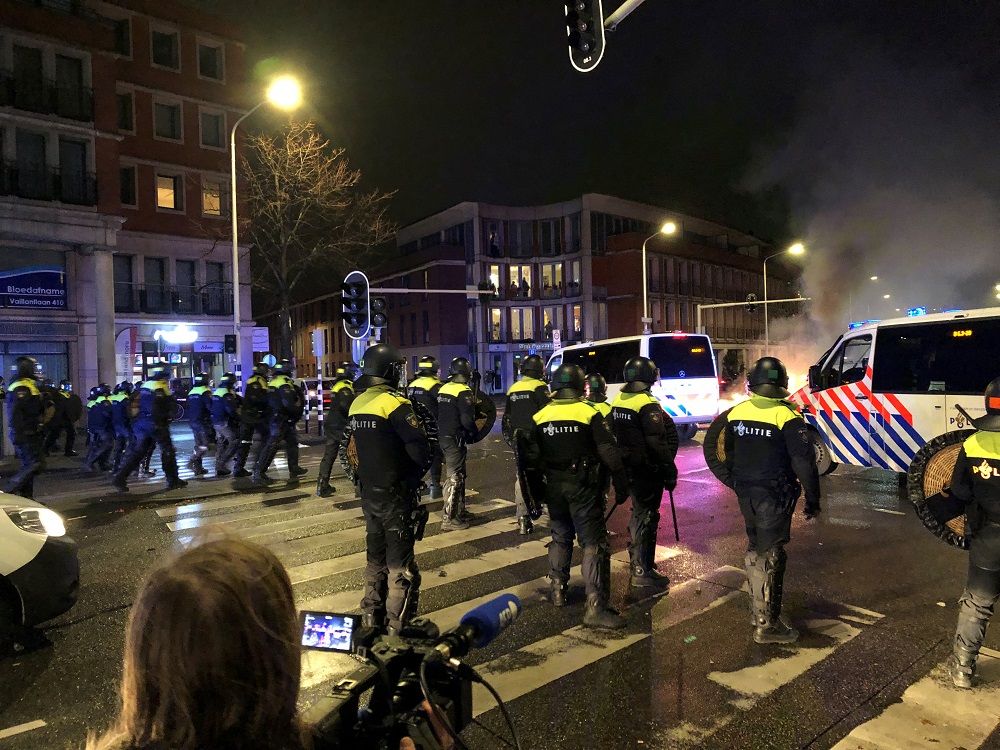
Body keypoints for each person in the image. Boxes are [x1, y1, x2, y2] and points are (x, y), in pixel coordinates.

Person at [722, 356, 820, 645]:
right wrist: (813, 500)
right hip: (773, 496)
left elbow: (726, 453)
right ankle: (768, 625)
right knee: (772, 554)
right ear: (782, 384)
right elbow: (804, 464)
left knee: (755, 548)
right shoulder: (787, 417)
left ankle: (757, 611)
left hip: (746, 493)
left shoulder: (736, 413)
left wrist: (738, 482)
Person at [525, 363, 630, 629]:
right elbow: (608, 449)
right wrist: (621, 481)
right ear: (580, 385)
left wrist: (536, 495)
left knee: (560, 537)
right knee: (594, 544)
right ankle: (595, 607)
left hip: (554, 489)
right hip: (583, 488)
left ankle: (558, 590)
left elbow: (531, 460)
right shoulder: (588, 412)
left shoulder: (541, 416)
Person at [349, 343, 431, 634]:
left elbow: (353, 452)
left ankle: (371, 617)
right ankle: (397, 629)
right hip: (396, 496)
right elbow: (419, 451)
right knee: (402, 568)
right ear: (389, 371)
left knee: (375, 559)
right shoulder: (396, 405)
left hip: (369, 495)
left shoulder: (357, 404)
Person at [946, 376, 1000, 688]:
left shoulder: (973, 443)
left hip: (989, 538)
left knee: (978, 603)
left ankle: (963, 668)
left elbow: (959, 490)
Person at [610, 356, 679, 588]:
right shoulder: (646, 403)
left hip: (627, 466)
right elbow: (657, 442)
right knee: (647, 517)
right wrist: (670, 470)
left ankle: (640, 560)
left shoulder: (620, 399)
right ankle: (642, 569)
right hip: (646, 470)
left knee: (639, 513)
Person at [111, 367, 187, 493]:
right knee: (168, 450)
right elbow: (160, 408)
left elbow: (132, 404)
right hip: (155, 424)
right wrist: (164, 420)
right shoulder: (160, 387)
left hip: (141, 424)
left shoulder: (145, 386)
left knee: (139, 452)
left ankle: (120, 478)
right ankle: (172, 480)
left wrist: (135, 421)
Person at [503, 354, 551, 535]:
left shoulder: (513, 388)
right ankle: (546, 510)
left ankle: (523, 520)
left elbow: (507, 418)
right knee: (544, 475)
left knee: (521, 477)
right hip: (537, 440)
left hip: (519, 440)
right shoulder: (540, 388)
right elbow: (548, 413)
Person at [437, 357, 477, 531]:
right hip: (456, 438)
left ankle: (460, 510)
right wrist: (474, 431)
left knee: (459, 475)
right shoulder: (463, 391)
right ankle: (449, 518)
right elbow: (467, 419)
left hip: (443, 436)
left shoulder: (443, 388)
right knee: (454, 477)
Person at [254, 359, 307, 485]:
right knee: (272, 445)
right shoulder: (283, 383)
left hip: (279, 418)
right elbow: (289, 403)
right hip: (280, 419)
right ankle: (259, 472)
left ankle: (293, 467)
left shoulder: (274, 381)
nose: (293, 372)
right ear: (287, 370)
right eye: (291, 369)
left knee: (292, 442)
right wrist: (297, 410)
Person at [4, 357, 49, 499]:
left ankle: (26, 498)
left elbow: (32, 409)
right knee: (37, 463)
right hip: (25, 433)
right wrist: (19, 433)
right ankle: (9, 489)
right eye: (34, 368)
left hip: (30, 432)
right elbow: (16, 413)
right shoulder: (21, 387)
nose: (37, 371)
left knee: (28, 466)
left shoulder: (28, 385)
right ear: (26, 369)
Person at [316, 361, 356, 497]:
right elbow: (347, 406)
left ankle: (322, 484)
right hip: (340, 427)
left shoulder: (338, 385)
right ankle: (360, 485)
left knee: (329, 455)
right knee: (353, 454)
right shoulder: (345, 387)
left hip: (333, 425)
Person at [406, 356, 443, 499]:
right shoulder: (436, 387)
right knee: (435, 456)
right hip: (432, 427)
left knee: (414, 456)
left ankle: (415, 485)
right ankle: (435, 486)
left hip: (413, 426)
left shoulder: (412, 385)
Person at [233, 362, 271, 478]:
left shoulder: (253, 379)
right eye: (266, 370)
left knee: (245, 442)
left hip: (248, 416)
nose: (268, 373)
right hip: (254, 417)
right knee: (267, 440)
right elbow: (258, 398)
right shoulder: (257, 381)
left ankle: (239, 468)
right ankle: (258, 466)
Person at [211, 372, 241, 477]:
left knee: (221, 443)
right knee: (235, 441)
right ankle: (221, 464)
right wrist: (239, 418)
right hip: (224, 422)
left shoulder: (218, 391)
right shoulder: (226, 394)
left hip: (216, 422)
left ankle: (219, 468)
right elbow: (231, 410)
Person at [185, 372, 213, 476]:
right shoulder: (205, 391)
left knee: (198, 445)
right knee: (205, 445)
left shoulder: (192, 391)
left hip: (192, 421)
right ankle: (192, 461)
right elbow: (209, 406)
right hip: (202, 421)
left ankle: (198, 468)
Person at [82, 383, 114, 472]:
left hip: (94, 427)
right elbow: (108, 414)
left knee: (96, 445)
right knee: (107, 444)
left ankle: (102, 463)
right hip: (102, 427)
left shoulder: (95, 402)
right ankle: (90, 462)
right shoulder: (104, 403)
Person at [43, 379, 78, 456]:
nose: (69, 388)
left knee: (68, 433)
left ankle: (68, 450)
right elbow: (61, 408)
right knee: (55, 434)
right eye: (67, 386)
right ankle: (46, 450)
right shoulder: (59, 395)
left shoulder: (65, 395)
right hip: (60, 418)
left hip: (64, 418)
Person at [109, 381, 134, 474]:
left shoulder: (114, 398)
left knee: (119, 446)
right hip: (125, 426)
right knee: (132, 445)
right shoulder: (125, 399)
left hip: (116, 426)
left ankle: (116, 466)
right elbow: (129, 413)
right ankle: (125, 466)